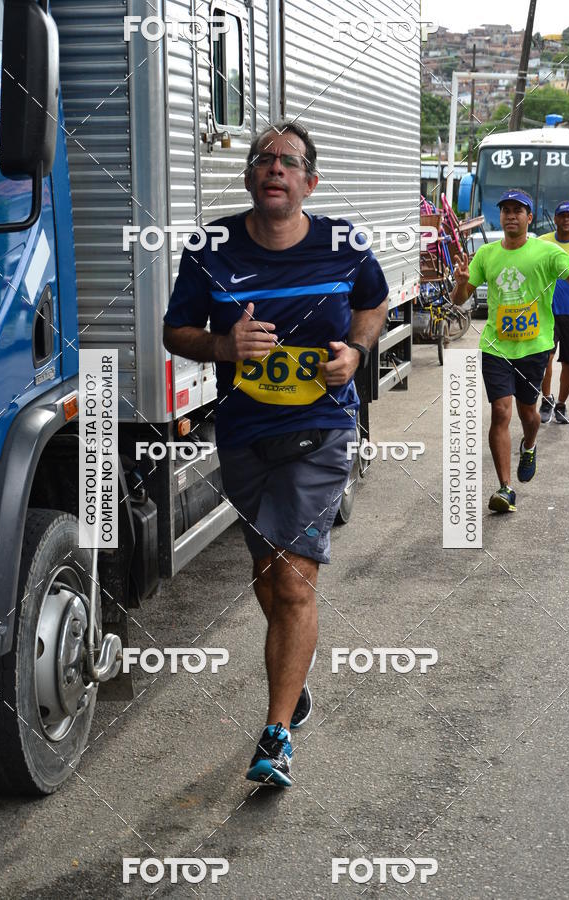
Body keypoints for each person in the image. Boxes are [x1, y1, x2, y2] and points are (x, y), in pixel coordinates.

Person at [162, 121, 389, 785]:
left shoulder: (343, 242)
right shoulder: (211, 247)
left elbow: (372, 305)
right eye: (264, 159)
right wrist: (224, 348)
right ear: (249, 176)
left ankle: (276, 735)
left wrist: (358, 350)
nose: (274, 168)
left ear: (309, 182)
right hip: (243, 434)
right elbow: (178, 331)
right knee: (271, 578)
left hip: (321, 430)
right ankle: (296, 680)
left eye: (289, 161)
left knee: (291, 580)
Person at [450, 188, 569, 513]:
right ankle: (505, 489)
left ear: (529, 217)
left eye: (517, 210)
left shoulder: (548, 254)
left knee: (528, 414)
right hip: (496, 347)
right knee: (501, 412)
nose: (510, 215)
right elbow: (459, 299)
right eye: (505, 209)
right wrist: (460, 282)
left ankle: (530, 444)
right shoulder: (487, 254)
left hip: (534, 348)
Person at [538, 201, 569, 424]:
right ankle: (546, 400)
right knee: (546, 358)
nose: (565, 219)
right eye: (561, 215)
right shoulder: (542, 242)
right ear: (555, 219)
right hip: (547, 311)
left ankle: (561, 404)